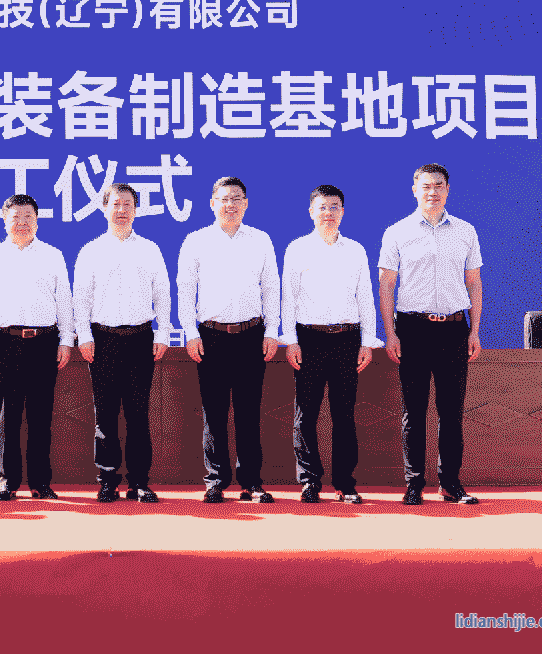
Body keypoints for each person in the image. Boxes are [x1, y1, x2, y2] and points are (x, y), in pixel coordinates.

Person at [379, 163, 483, 505]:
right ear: (414, 190)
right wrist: (391, 334)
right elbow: (386, 285)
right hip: (413, 329)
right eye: (426, 186)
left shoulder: (465, 231)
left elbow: (473, 282)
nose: (432, 192)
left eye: (439, 185)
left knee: (451, 411)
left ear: (448, 189)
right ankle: (414, 483)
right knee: (414, 410)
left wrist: (474, 331)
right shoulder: (397, 232)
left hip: (454, 329)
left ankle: (450, 483)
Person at [177, 176, 280, 504]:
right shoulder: (196, 241)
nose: (230, 204)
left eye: (236, 198)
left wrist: (272, 331)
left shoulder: (260, 240)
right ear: (212, 203)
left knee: (249, 411)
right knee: (215, 411)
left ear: (246, 203)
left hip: (251, 334)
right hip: (211, 336)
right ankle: (216, 481)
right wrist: (191, 332)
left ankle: (252, 482)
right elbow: (185, 290)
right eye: (224, 199)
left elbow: (271, 287)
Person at [281, 185, 380, 505]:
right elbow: (288, 298)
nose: (328, 213)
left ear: (343, 212)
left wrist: (367, 342)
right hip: (308, 338)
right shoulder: (297, 248)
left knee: (344, 414)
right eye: (322, 207)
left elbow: (365, 297)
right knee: (306, 413)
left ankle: (345, 483)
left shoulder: (355, 250)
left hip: (347, 339)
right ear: (311, 212)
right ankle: (309, 481)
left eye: (334, 207)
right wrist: (291, 340)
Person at [74, 183, 172, 503]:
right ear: (104, 208)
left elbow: (162, 294)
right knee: (105, 414)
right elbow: (81, 298)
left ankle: (139, 482)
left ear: (136, 209)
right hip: (103, 340)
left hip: (140, 338)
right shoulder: (90, 250)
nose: (121, 210)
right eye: (115, 204)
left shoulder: (150, 249)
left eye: (127, 204)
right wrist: (84, 336)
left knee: (137, 414)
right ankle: (107, 480)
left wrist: (163, 332)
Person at [0, 194, 74, 501]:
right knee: (7, 414)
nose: (22, 223)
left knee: (40, 414)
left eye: (28, 217)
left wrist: (66, 339)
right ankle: (7, 481)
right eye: (15, 217)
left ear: (37, 220)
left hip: (44, 341)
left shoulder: (53, 255)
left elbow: (64, 300)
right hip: (6, 342)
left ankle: (40, 482)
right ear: (5, 221)